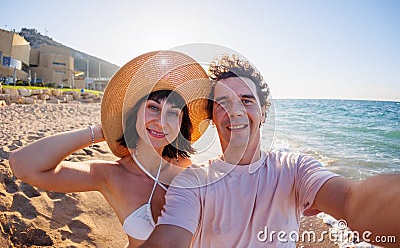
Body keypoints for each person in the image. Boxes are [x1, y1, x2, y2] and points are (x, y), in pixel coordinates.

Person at [140, 54, 400, 248]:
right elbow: (169, 240)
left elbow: (351, 201)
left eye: (246, 100)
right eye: (223, 102)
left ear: (263, 112)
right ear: (211, 116)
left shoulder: (294, 169)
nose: (236, 110)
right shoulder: (192, 182)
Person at [9, 50, 211, 248]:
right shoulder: (111, 175)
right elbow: (22, 165)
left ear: (182, 124)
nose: (161, 122)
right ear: (134, 114)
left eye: (173, 113)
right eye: (153, 108)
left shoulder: (189, 171)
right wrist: (98, 132)